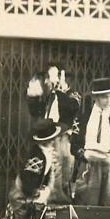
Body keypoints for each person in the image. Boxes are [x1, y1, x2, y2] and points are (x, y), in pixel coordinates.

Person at [25, 65, 81, 204]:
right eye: (49, 78)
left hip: (62, 138)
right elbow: (35, 111)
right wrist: (32, 95)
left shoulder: (71, 95)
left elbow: (72, 107)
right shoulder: (47, 95)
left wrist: (60, 91)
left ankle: (60, 200)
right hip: (46, 137)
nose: (50, 81)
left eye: (53, 77)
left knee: (62, 171)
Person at [71, 77, 110, 206]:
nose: (108, 100)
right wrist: (84, 154)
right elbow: (74, 144)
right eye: (104, 97)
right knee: (86, 203)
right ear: (95, 98)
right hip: (89, 166)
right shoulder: (82, 119)